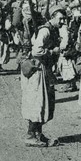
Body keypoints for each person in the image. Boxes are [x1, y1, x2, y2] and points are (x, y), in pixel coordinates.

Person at [21, 9, 63, 147]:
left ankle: (38, 134)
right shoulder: (45, 31)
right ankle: (30, 135)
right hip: (37, 70)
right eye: (60, 19)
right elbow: (36, 51)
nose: (62, 22)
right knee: (37, 102)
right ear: (52, 17)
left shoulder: (48, 29)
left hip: (42, 69)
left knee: (43, 102)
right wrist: (52, 51)